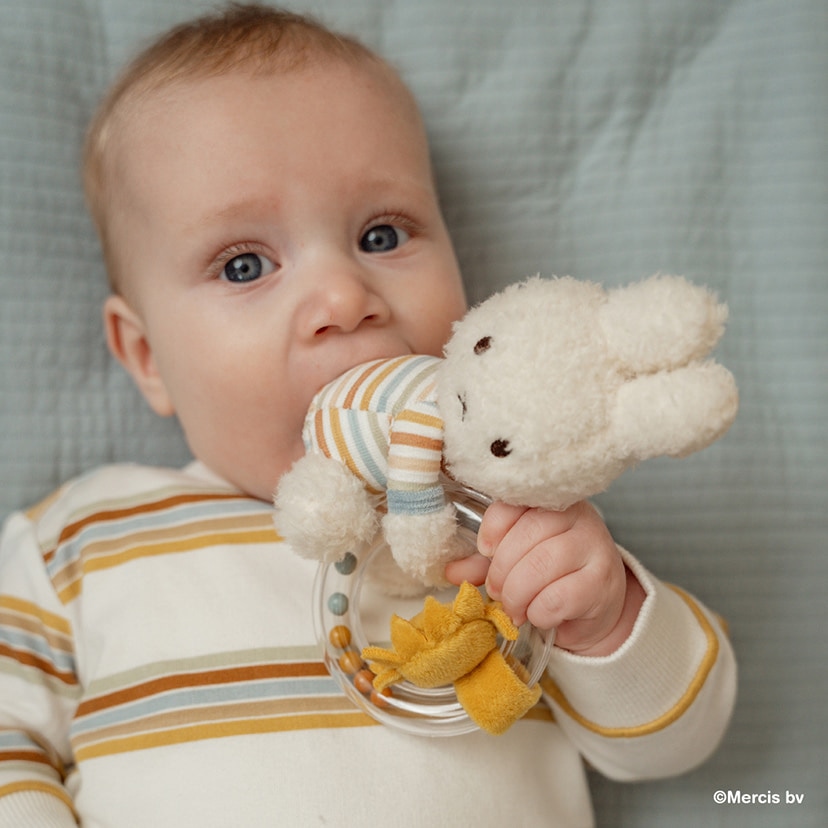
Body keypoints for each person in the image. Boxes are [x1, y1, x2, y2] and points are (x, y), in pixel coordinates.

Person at [0, 5, 736, 826]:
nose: (344, 299)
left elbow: (676, 744)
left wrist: (604, 619)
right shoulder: (83, 539)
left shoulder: (510, 526)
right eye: (244, 265)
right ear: (145, 356)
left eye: (382, 235)